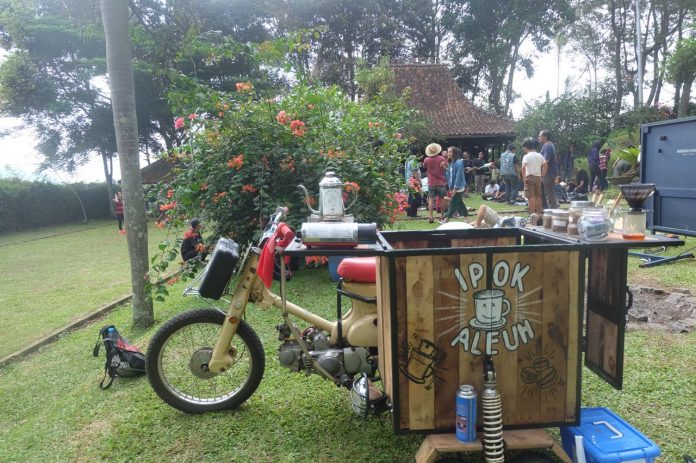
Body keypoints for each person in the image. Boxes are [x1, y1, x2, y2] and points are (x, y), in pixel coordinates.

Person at [422, 143, 448, 223]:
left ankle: (431, 216)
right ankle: (442, 216)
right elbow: (447, 167)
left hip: (431, 182)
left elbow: (424, 166)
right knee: (442, 199)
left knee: (431, 199)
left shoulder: (427, 159)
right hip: (441, 182)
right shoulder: (442, 158)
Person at [521, 137, 547, 215]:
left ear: (525, 147)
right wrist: (542, 176)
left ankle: (532, 214)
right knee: (538, 196)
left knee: (531, 197)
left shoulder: (526, 156)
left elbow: (523, 168)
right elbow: (545, 166)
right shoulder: (539, 155)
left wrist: (524, 179)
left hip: (529, 177)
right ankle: (539, 213)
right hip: (538, 177)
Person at [443, 146, 468, 222]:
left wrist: (455, 188)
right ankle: (467, 219)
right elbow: (450, 173)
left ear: (454, 153)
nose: (448, 154)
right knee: (460, 203)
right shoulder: (451, 163)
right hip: (453, 186)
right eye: (448, 152)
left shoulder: (459, 162)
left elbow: (458, 176)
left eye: (450, 152)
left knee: (452, 203)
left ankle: (446, 219)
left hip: (458, 186)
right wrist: (444, 167)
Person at [538, 129, 559, 209]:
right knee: (543, 190)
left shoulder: (547, 146)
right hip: (549, 172)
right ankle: (544, 207)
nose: (538, 137)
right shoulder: (549, 145)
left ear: (545, 137)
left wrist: (538, 167)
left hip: (548, 173)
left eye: (540, 136)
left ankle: (553, 209)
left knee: (549, 192)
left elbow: (546, 161)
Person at [472, 204, 537, 229]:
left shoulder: (528, 225)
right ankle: (476, 225)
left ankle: (477, 226)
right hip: (500, 221)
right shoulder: (525, 221)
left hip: (499, 222)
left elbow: (534, 217)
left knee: (483, 207)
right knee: (473, 223)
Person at [405, 153, 422, 218]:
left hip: (408, 179)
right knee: (415, 197)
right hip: (413, 180)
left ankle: (409, 212)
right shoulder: (414, 160)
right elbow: (415, 172)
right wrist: (419, 182)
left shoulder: (408, 159)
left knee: (411, 197)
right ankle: (413, 214)